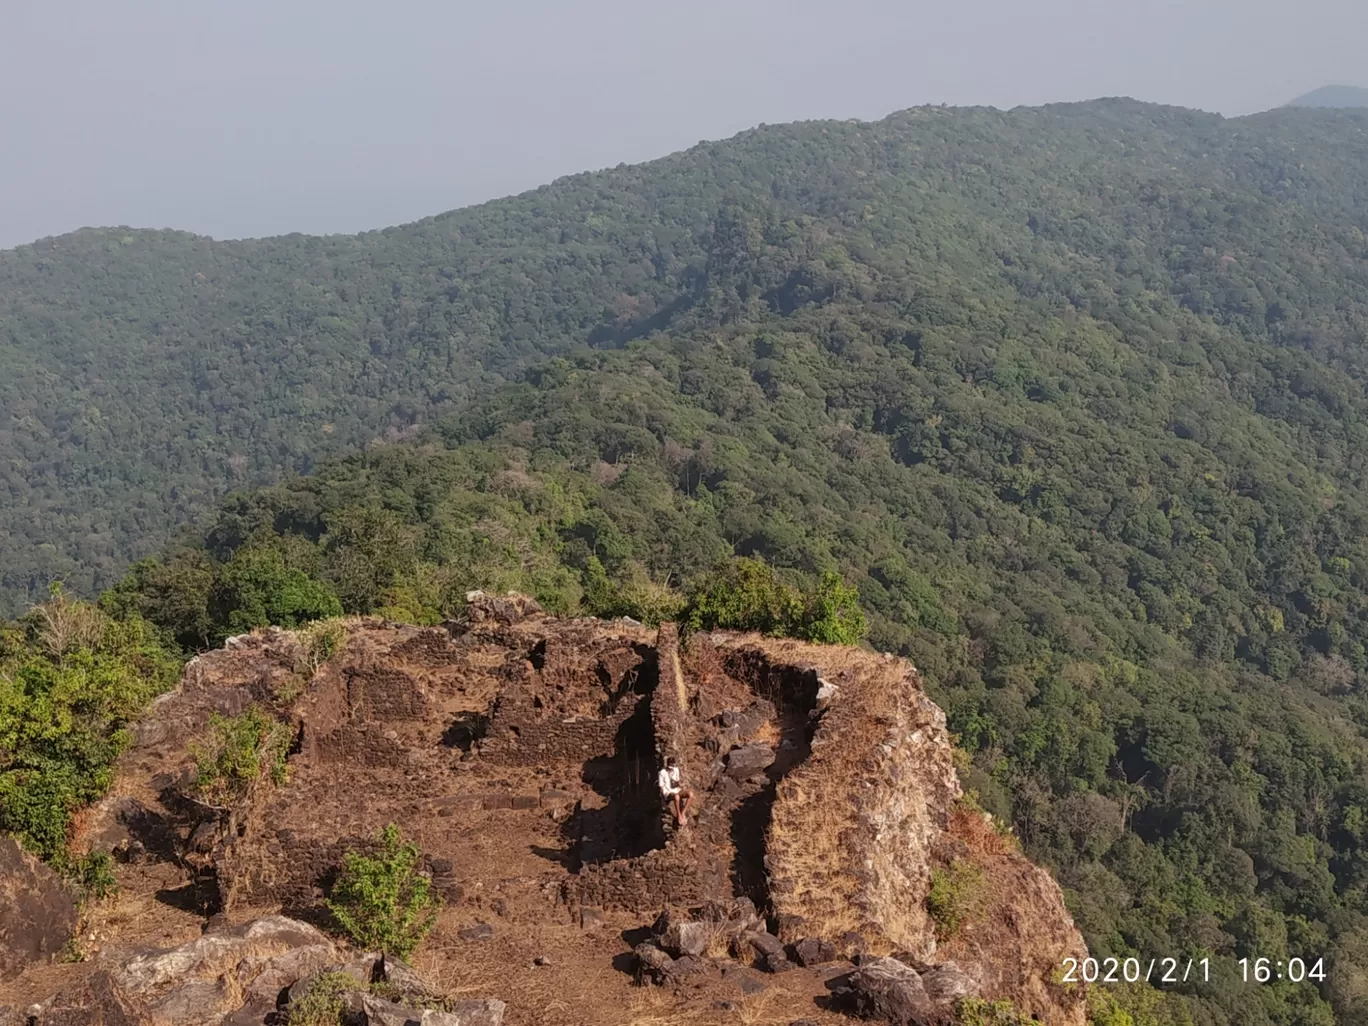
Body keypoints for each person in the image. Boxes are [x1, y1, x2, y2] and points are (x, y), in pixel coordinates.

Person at [657, 756, 693, 826]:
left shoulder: (676, 770)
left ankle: (683, 812)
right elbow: (661, 787)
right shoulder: (662, 772)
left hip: (676, 790)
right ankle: (679, 815)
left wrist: (681, 788)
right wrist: (663, 799)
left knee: (690, 794)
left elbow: (677, 781)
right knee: (677, 797)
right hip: (668, 792)